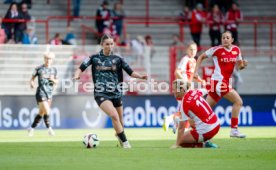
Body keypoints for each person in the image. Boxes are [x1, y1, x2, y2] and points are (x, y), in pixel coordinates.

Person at [73, 34, 148, 148]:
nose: (109, 46)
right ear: (102, 45)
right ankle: (126, 143)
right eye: (107, 44)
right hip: (101, 93)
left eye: (111, 44)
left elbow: (130, 72)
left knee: (120, 120)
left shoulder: (118, 59)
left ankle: (119, 137)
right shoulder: (94, 58)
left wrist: (141, 76)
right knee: (114, 116)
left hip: (116, 93)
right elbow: (81, 67)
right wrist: (77, 75)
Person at [193, 31, 248, 138]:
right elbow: (200, 57)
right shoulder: (217, 49)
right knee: (238, 102)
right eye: (223, 38)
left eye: (227, 38)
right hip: (219, 83)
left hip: (219, 84)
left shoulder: (236, 50)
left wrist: (244, 65)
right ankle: (234, 130)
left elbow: (239, 67)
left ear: (232, 40)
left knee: (204, 110)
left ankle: (183, 122)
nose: (225, 39)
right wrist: (195, 72)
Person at [163, 42, 205, 133]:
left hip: (185, 87)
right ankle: (173, 121)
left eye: (194, 49)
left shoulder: (193, 61)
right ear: (187, 50)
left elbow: (193, 76)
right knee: (189, 108)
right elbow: (177, 72)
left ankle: (175, 123)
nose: (192, 51)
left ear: (197, 50)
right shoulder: (185, 59)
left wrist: (201, 81)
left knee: (185, 108)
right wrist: (185, 83)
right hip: (182, 87)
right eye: (190, 49)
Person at [171, 79, 220, 148]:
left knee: (181, 140)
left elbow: (181, 128)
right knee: (191, 120)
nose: (173, 92)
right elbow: (207, 90)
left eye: (174, 89)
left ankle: (204, 144)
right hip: (216, 124)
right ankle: (206, 141)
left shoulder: (184, 103)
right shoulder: (195, 91)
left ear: (181, 89)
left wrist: (176, 144)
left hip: (207, 131)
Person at [28, 52, 58, 136]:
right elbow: (32, 79)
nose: (48, 60)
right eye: (47, 58)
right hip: (40, 93)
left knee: (41, 113)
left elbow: (57, 82)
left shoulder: (54, 70)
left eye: (50, 59)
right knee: (47, 111)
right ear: (44, 59)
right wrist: (32, 83)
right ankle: (49, 129)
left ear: (52, 60)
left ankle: (31, 128)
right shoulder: (38, 69)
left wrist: (53, 80)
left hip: (49, 94)